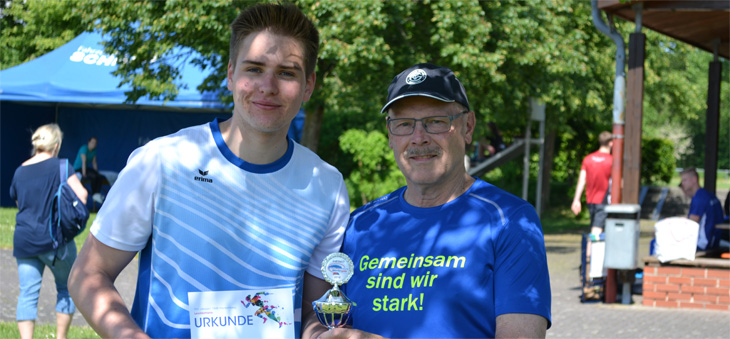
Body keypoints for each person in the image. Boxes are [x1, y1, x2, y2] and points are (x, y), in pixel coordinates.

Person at [68, 4, 349, 338]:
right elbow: (89, 275)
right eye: (254, 69)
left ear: (309, 85)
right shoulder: (163, 159)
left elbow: (313, 312)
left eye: (287, 72)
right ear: (231, 74)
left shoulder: (327, 186)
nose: (268, 86)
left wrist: (332, 334)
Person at [326, 63, 551, 338]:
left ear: (468, 127)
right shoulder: (359, 225)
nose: (418, 138)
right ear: (389, 135)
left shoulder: (510, 220)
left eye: (436, 122)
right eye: (404, 124)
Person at [10, 123, 88, 339]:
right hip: (55, 241)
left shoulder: (20, 170)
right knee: (66, 288)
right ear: (56, 145)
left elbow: (18, 201)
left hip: (24, 241)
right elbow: (81, 195)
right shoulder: (61, 166)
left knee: (27, 294)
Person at [571, 131, 613, 235]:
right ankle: (590, 251)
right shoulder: (611, 161)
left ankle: (591, 250)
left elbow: (582, 180)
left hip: (590, 200)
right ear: (611, 143)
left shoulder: (588, 159)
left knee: (594, 227)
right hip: (603, 200)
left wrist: (576, 200)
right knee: (596, 232)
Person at [679, 168, 724, 251]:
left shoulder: (699, 198)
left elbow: (691, 223)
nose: (682, 183)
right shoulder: (709, 195)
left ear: (694, 179)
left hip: (703, 243)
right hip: (714, 241)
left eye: (685, 180)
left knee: (657, 242)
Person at [73, 136, 105, 204]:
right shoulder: (84, 148)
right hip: (78, 169)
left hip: (85, 168)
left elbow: (94, 163)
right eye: (92, 142)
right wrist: (84, 174)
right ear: (89, 142)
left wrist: (97, 172)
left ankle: (97, 194)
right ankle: (94, 194)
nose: (94, 144)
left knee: (99, 176)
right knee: (93, 176)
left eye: (95, 143)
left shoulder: (94, 151)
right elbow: (83, 162)